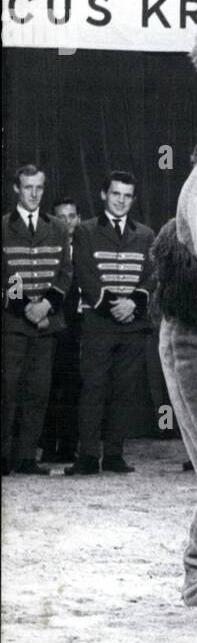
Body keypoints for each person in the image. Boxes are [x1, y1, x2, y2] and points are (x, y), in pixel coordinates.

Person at [67, 172, 156, 476]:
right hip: (98, 324)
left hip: (132, 324)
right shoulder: (85, 231)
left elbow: (150, 275)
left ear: (133, 199)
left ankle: (114, 454)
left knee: (124, 390)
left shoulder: (145, 234)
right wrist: (111, 306)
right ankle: (89, 455)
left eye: (127, 196)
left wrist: (134, 303)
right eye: (116, 194)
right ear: (104, 194)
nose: (121, 201)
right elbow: (84, 274)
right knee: (93, 388)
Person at [2, 166, 72, 476]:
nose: (34, 194)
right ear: (16, 189)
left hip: (47, 323)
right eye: (28, 187)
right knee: (8, 389)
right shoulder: (3, 226)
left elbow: (65, 272)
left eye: (39, 188)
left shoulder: (57, 227)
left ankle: (28, 457)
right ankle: (4, 456)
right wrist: (26, 310)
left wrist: (45, 306)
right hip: (13, 324)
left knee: (39, 391)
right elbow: (5, 273)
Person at [40, 197, 83, 466]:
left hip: (79, 327)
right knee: (46, 387)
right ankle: (46, 447)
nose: (67, 222)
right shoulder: (46, 246)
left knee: (73, 388)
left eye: (72, 216)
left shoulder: (87, 247)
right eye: (61, 217)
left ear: (78, 219)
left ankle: (69, 447)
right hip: (49, 323)